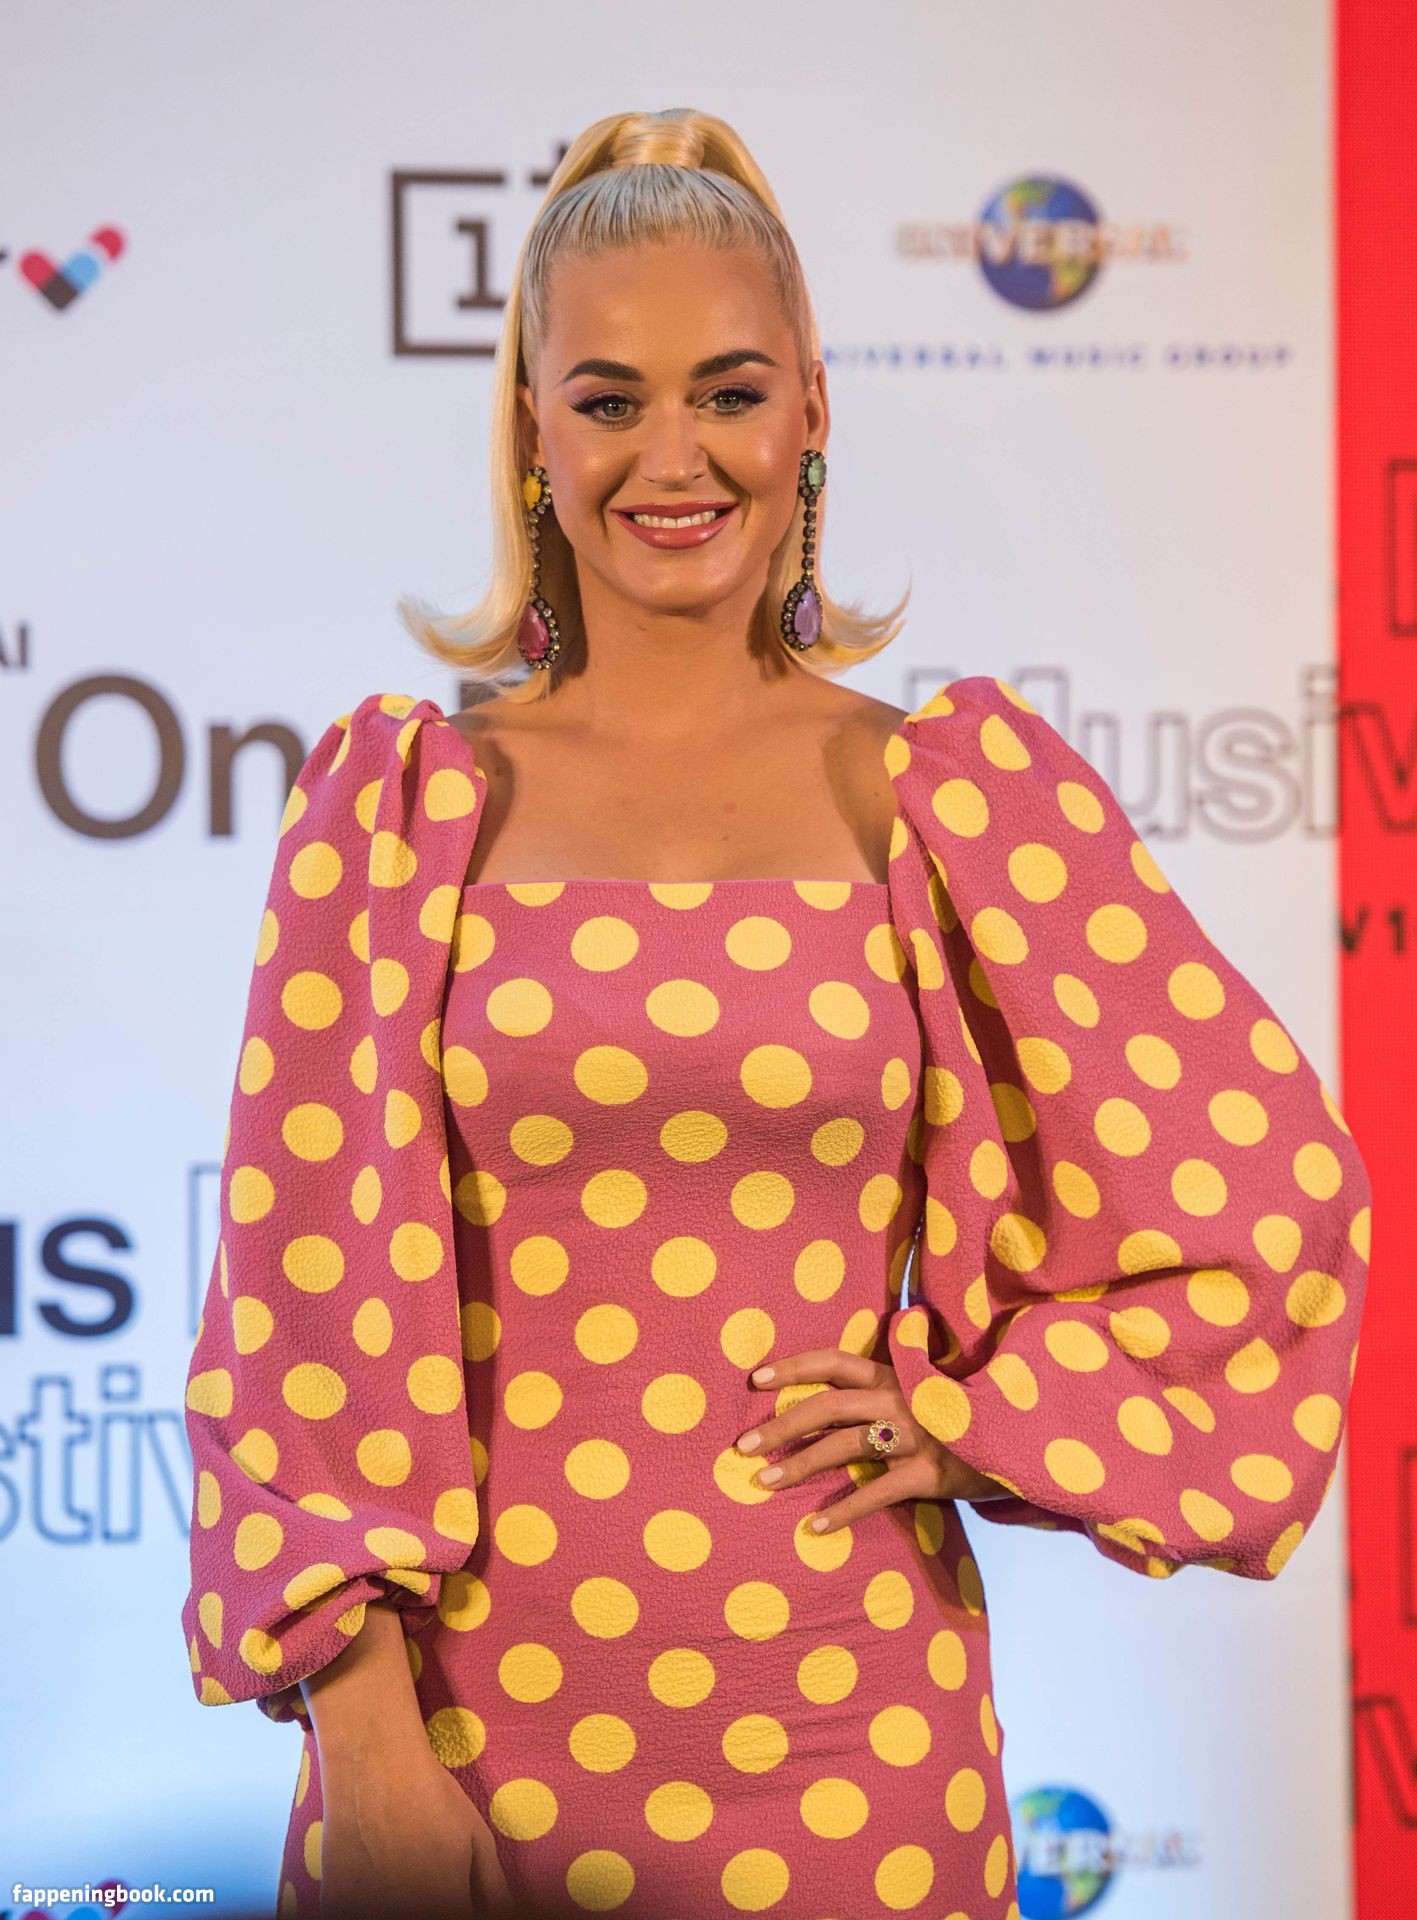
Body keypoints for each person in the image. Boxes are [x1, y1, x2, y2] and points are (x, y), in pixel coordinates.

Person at [179, 106, 1373, 1920]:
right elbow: (297, 1316)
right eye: (608, 400)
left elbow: (1263, 1203)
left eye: (727, 394)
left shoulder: (941, 795)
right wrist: (370, 1753)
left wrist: (976, 1415)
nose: (672, 457)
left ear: (809, 410)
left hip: (852, 1743)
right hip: (461, 1749)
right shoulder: (400, 809)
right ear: (531, 431)